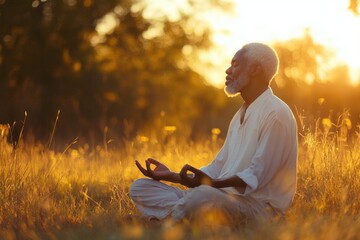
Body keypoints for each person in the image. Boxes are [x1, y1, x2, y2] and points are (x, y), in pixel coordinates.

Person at [129, 42, 298, 223]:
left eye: (235, 65)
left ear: (255, 69)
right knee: (140, 187)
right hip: (221, 198)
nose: (228, 70)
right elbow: (217, 168)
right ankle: (184, 214)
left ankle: (164, 224)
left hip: (260, 209)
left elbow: (256, 175)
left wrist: (211, 185)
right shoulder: (240, 114)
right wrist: (173, 176)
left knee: (201, 195)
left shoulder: (276, 114)